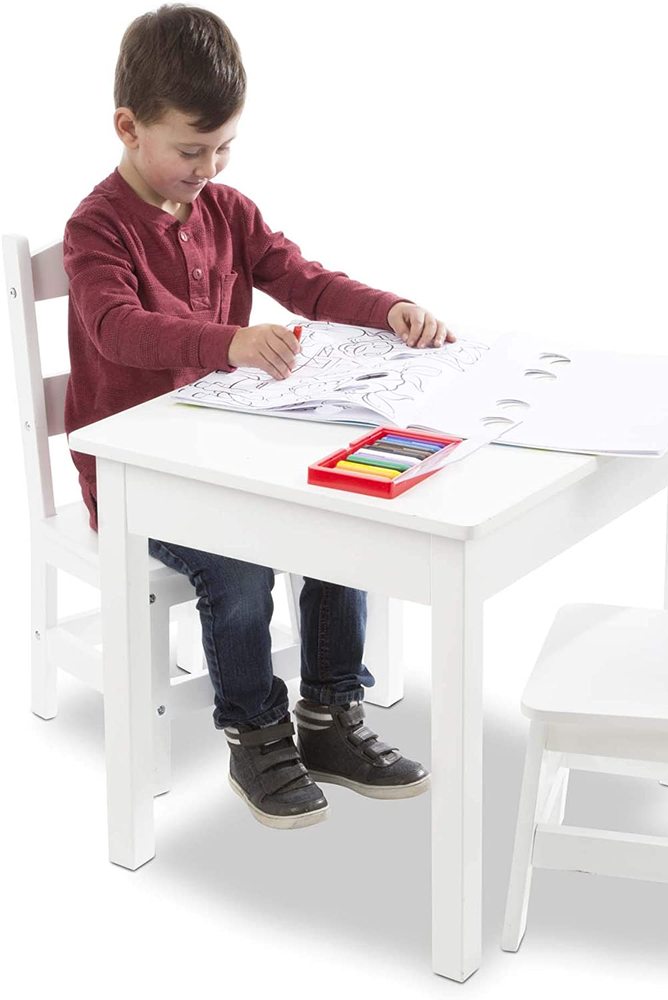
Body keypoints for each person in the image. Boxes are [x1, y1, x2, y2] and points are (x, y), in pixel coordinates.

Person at [64, 3, 450, 830]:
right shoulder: (96, 227)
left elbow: (303, 279)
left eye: (224, 147)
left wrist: (391, 308)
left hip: (227, 451)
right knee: (238, 568)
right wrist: (230, 341)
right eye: (189, 150)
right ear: (129, 128)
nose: (208, 167)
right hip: (139, 473)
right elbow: (114, 327)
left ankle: (329, 717)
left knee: (340, 525)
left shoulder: (228, 209)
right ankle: (255, 730)